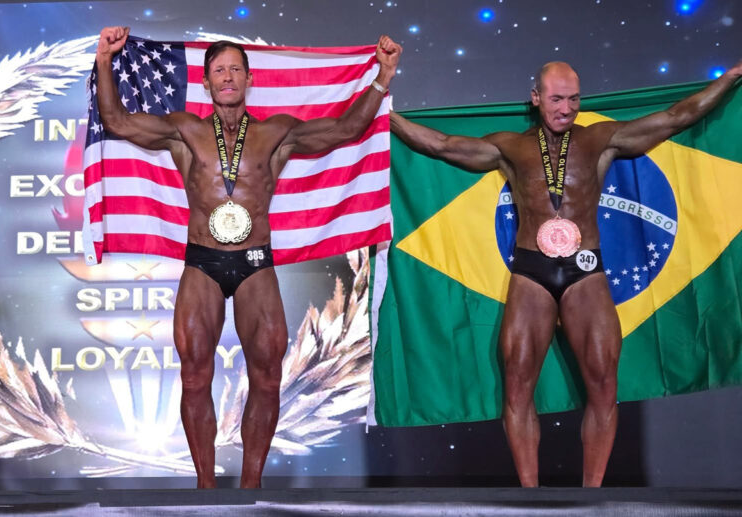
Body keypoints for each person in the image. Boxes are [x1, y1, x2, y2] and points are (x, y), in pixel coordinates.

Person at [389, 60, 742, 487]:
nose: (566, 108)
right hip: (530, 273)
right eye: (556, 99)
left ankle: (592, 496)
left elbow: (675, 117)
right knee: (517, 385)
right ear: (536, 98)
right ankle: (530, 497)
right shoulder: (511, 147)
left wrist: (730, 78)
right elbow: (442, 145)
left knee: (604, 384)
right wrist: (386, 116)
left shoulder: (600, 139)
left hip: (585, 272)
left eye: (574, 99)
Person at [95, 27, 400, 488]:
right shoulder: (185, 130)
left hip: (254, 261)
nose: (228, 76)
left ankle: (250, 488)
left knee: (268, 374)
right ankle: (205, 488)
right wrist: (104, 60)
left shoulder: (276, 132)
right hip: (203, 261)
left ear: (249, 79)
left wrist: (383, 76)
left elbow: (345, 129)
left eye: (236, 69)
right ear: (206, 83)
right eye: (219, 70)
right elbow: (116, 121)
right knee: (194, 375)